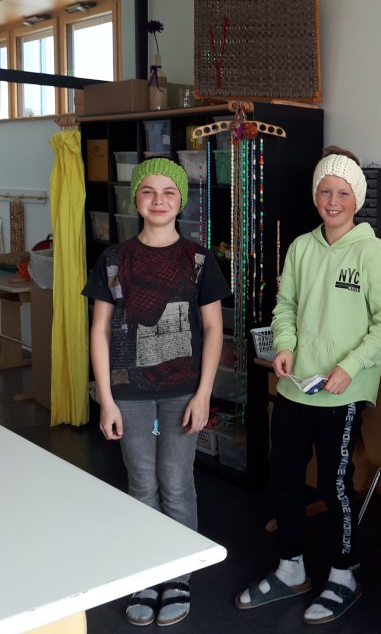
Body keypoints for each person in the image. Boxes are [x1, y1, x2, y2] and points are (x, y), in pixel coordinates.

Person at [234, 146, 381, 624]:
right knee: (284, 480)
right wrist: (284, 345)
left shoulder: (371, 252)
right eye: (325, 191)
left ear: (357, 199)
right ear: (315, 196)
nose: (333, 201)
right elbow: (285, 307)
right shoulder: (301, 248)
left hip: (342, 393)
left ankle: (343, 575)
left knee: (335, 486)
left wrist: (351, 366)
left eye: (343, 193)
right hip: (294, 387)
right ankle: (291, 569)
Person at [83, 156, 230, 627]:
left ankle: (179, 574)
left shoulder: (199, 260)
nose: (159, 200)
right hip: (128, 394)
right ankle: (147, 572)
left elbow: (214, 329)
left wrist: (204, 394)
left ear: (181, 200)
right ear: (136, 200)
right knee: (141, 484)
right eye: (148, 191)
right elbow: (99, 330)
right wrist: (106, 398)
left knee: (178, 483)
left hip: (183, 393)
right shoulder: (113, 260)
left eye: (169, 192)